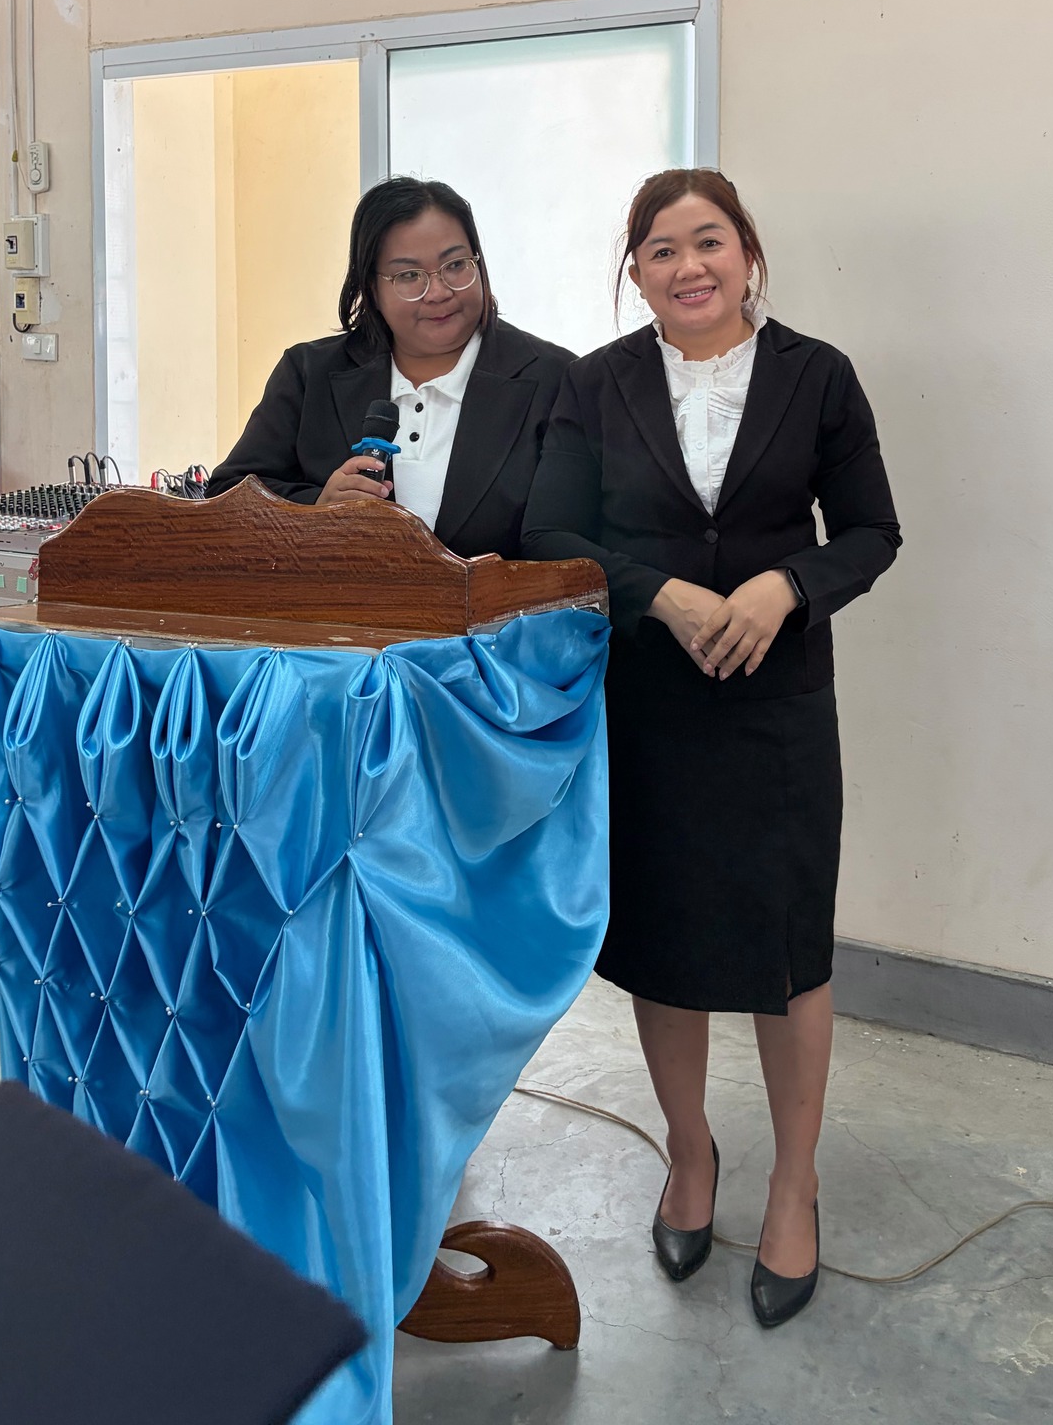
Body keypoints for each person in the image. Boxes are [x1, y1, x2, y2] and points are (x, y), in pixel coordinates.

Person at [521, 170, 901, 1329]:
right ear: (635, 271)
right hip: (651, 701)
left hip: (779, 705)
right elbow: (550, 529)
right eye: (660, 248)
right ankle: (691, 1152)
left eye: (709, 240)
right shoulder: (596, 383)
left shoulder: (817, 374)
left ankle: (795, 1182)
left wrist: (787, 584)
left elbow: (872, 529)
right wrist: (662, 594)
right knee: (666, 939)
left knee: (790, 950)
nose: (687, 265)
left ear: (748, 253)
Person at [207, 177, 574, 559]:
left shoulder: (556, 379)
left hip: (501, 600)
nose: (439, 292)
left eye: (456, 265)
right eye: (409, 276)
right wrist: (315, 509)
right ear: (372, 288)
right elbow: (226, 496)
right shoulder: (308, 374)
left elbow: (574, 534)